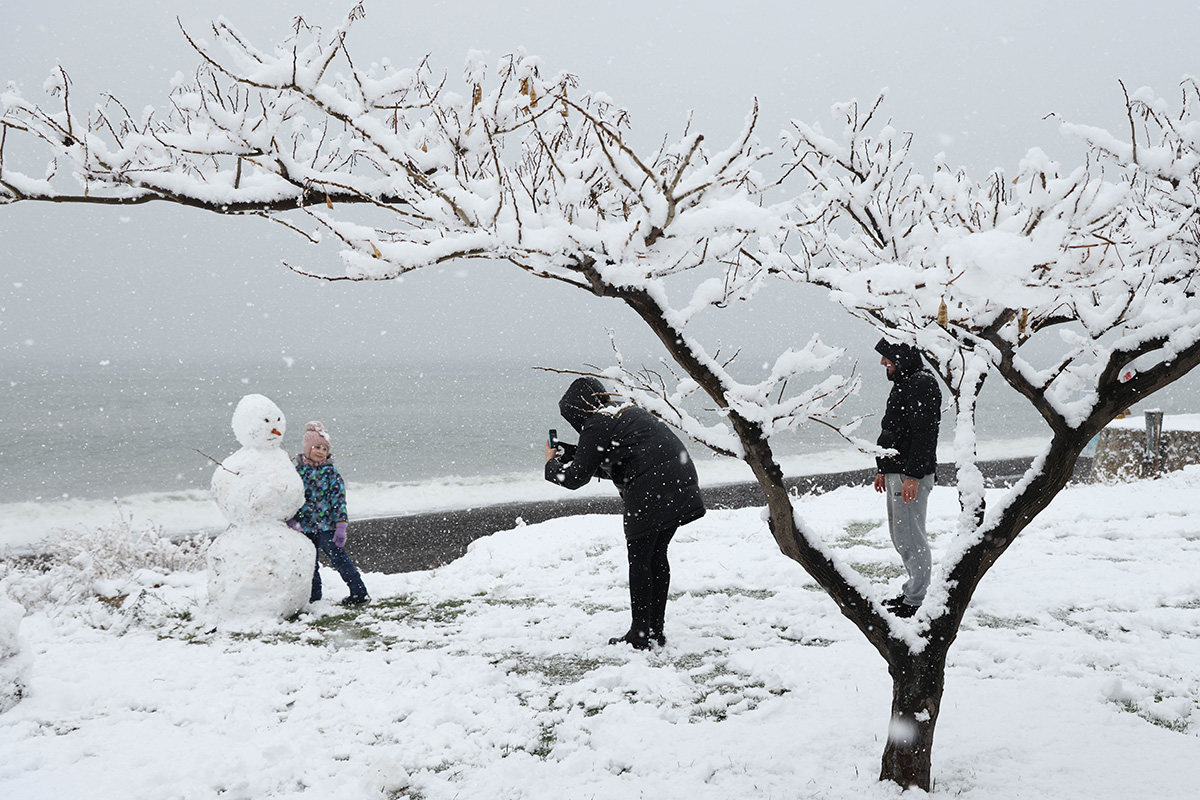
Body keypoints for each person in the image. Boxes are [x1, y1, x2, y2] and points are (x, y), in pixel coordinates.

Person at [544, 377, 705, 650]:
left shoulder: (596, 422)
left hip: (652, 489)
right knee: (656, 555)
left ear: (577, 409)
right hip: (679, 480)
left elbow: (574, 479)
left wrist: (550, 466)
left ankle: (640, 636)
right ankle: (654, 630)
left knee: (641, 559)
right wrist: (574, 452)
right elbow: (618, 462)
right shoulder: (623, 411)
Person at [873, 338, 941, 618]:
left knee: (911, 537)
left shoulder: (921, 382)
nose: (882, 362)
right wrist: (883, 467)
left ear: (902, 355)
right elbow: (894, 429)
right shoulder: (905, 381)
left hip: (909, 474)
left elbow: (925, 433)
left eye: (887, 356)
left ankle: (917, 600)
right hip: (897, 471)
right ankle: (913, 592)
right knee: (901, 536)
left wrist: (913, 475)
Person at [289, 421, 370, 607]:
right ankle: (314, 598)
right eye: (316, 447)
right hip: (305, 527)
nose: (320, 451)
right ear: (307, 449)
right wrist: (292, 520)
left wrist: (341, 525)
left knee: (339, 559)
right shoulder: (298, 472)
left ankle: (359, 593)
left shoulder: (331, 473)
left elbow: (339, 499)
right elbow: (292, 497)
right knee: (310, 564)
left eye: (324, 449)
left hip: (328, 527)